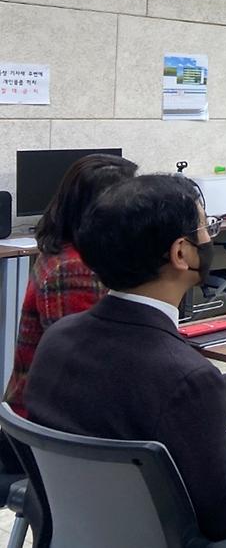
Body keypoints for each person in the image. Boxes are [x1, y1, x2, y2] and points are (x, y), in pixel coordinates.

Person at [23, 175, 226, 547]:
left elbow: (141, 396)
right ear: (181, 253)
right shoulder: (183, 373)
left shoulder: (59, 338)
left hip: (83, 533)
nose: (210, 237)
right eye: (206, 227)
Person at [3, 153, 137, 419]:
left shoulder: (69, 252)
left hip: (54, 409)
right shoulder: (74, 267)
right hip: (49, 419)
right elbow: (83, 364)